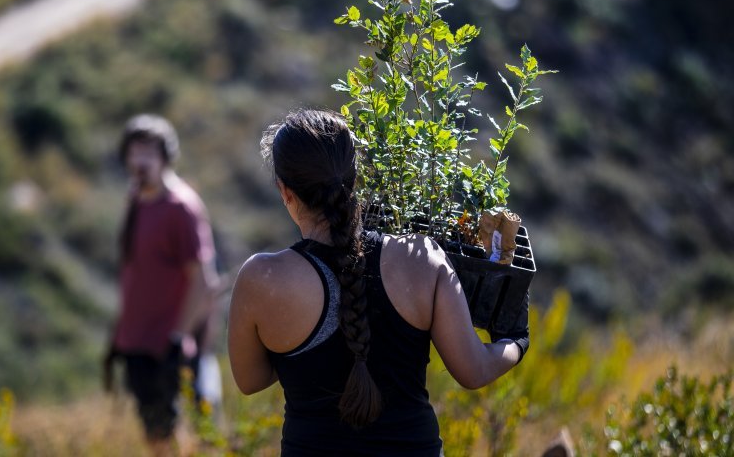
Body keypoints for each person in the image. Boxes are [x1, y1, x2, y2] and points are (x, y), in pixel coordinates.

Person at [227, 109, 529, 456]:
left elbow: (249, 381)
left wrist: (302, 352)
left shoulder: (261, 279)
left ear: (285, 191)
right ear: (355, 178)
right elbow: (473, 370)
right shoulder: (421, 258)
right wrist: (516, 341)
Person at [106, 114, 221, 456]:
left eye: (148, 152)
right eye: (134, 151)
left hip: (165, 347)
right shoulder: (137, 198)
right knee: (154, 433)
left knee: (174, 432)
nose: (139, 160)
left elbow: (203, 281)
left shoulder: (180, 208)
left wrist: (177, 338)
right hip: (137, 341)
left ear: (165, 156)